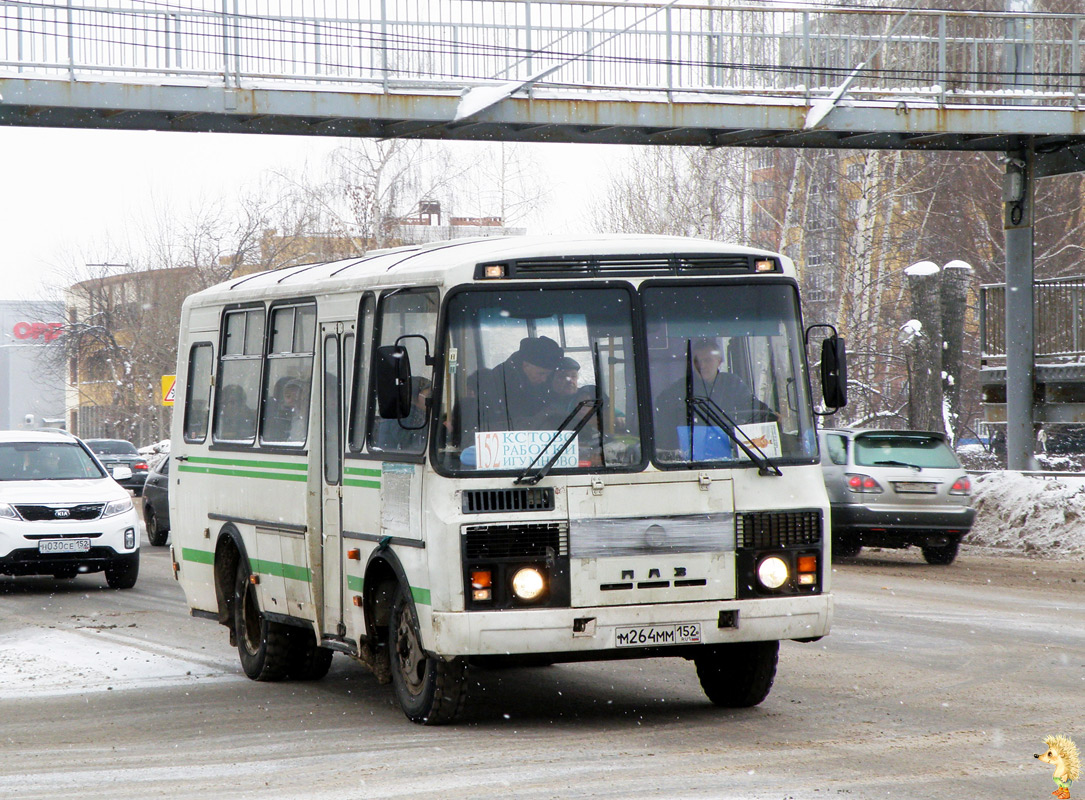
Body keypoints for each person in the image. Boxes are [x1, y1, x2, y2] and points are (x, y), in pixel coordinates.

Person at [653, 337, 775, 454]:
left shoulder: (732, 384)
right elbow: (664, 423)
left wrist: (773, 416)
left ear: (719, 361)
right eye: (697, 361)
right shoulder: (678, 390)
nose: (702, 365)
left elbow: (752, 406)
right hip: (690, 457)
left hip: (730, 448)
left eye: (707, 360)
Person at [472, 335, 564, 432]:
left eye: (548, 375)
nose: (544, 379)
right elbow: (498, 424)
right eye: (541, 373)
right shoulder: (498, 383)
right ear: (526, 366)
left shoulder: (537, 381)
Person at [377, 376, 432, 451]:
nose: (430, 399)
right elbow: (406, 439)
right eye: (428, 395)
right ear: (416, 396)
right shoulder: (405, 414)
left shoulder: (413, 412)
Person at [264, 377, 307, 442]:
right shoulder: (276, 417)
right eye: (288, 396)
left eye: (297, 396)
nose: (293, 400)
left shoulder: (306, 417)